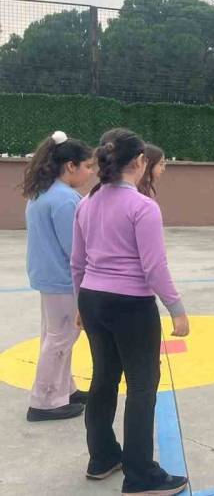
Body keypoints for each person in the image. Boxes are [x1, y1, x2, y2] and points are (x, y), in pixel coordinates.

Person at [71, 128, 189, 495]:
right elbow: (154, 268)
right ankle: (141, 475)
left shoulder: (87, 202)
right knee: (142, 385)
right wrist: (176, 308)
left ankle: (102, 457)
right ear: (140, 161)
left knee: (104, 378)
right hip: (130, 304)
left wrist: (79, 303)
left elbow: (77, 262)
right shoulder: (142, 206)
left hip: (92, 298)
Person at [21, 131, 94, 422]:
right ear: (71, 166)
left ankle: (64, 389)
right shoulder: (66, 200)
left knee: (55, 336)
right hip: (63, 281)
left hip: (48, 277)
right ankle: (44, 401)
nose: (91, 172)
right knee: (61, 338)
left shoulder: (43, 192)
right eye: (87, 166)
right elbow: (76, 249)